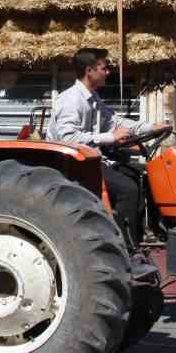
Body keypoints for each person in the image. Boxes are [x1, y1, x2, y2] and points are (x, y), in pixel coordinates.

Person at [48, 47, 143, 247]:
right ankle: (126, 248)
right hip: (74, 163)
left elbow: (115, 122)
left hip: (92, 159)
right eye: (104, 68)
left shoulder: (93, 99)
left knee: (141, 175)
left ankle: (143, 237)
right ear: (89, 70)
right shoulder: (71, 99)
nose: (108, 72)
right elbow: (68, 137)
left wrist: (152, 127)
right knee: (127, 189)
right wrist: (110, 137)